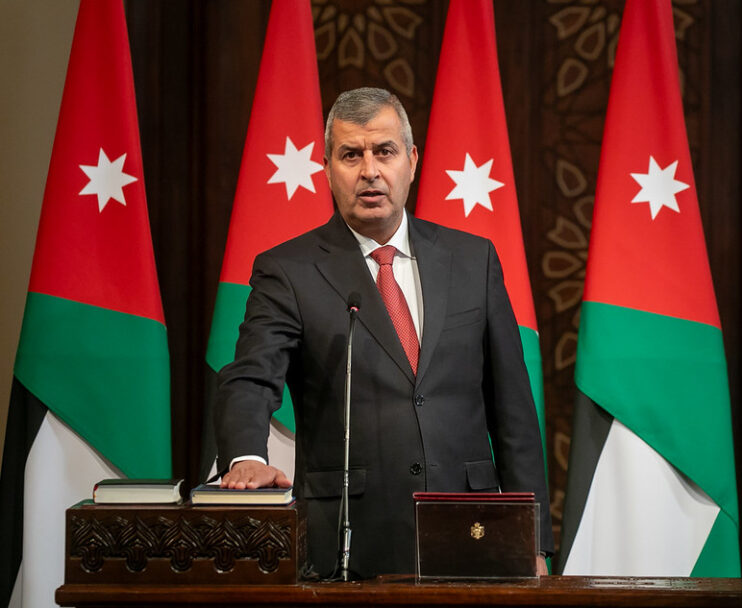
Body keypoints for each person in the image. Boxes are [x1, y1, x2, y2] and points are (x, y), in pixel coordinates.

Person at [215, 87, 553, 577]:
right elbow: (251, 376)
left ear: (411, 161)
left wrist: (532, 539)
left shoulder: (473, 259)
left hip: (470, 532)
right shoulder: (289, 270)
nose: (369, 170)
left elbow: (513, 411)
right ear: (327, 168)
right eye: (351, 155)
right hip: (348, 541)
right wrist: (246, 456)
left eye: (384, 152)